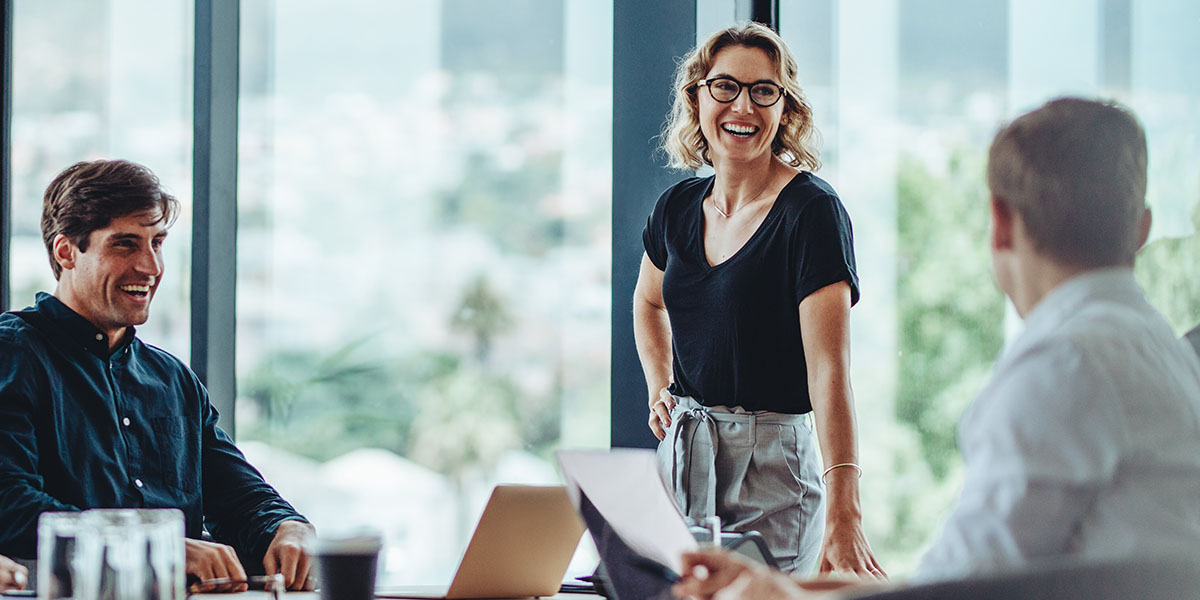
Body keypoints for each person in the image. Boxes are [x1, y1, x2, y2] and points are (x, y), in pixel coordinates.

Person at [673, 98, 1200, 599]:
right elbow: (960, 579)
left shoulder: (1064, 368)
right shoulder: (1164, 353)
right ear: (1141, 229)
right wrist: (785, 588)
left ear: (999, 225)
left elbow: (954, 596)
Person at [632, 22, 882, 577]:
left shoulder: (811, 213)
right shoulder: (675, 208)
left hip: (772, 470)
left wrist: (846, 510)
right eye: (725, 86)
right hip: (683, 457)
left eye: (763, 90)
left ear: (785, 108)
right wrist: (658, 386)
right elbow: (648, 303)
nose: (742, 105)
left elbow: (829, 371)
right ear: (696, 97)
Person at [0, 159, 316, 591]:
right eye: (125, 245)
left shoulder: (173, 380)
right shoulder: (12, 354)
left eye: (158, 243)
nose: (151, 267)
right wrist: (157, 547)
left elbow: (240, 498)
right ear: (66, 251)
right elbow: (10, 507)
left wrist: (287, 527)